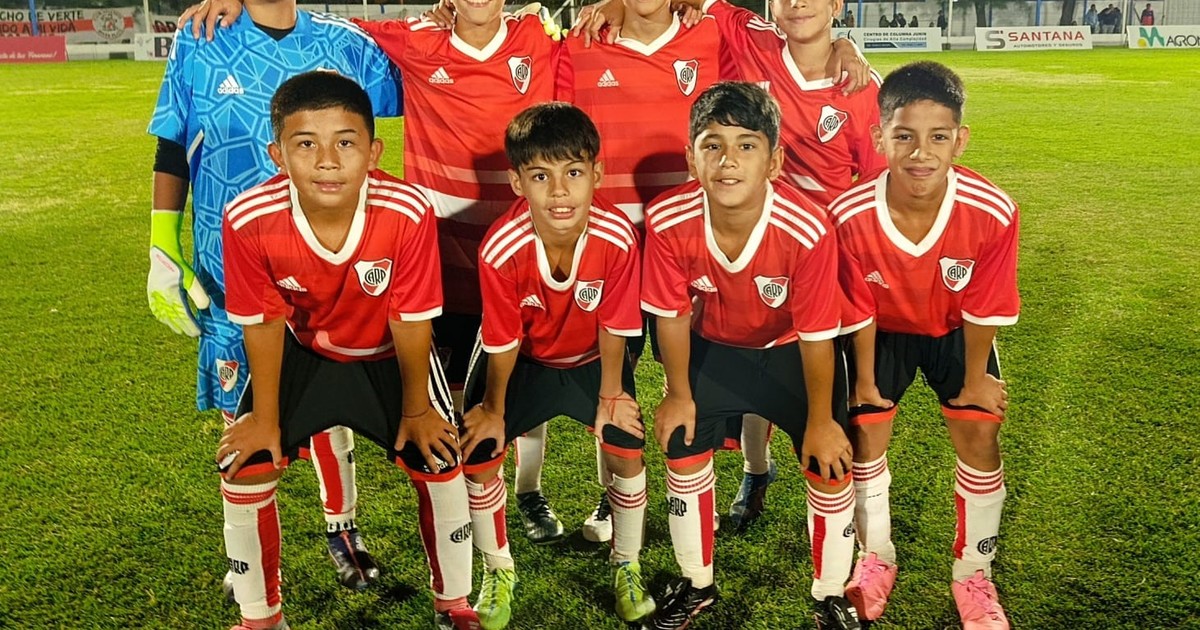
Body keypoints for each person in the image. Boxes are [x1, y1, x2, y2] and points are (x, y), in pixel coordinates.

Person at [183, 0, 576, 549]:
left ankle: (530, 491)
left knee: (521, 380)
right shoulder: (415, 39)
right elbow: (316, 25)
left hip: (521, 251)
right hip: (442, 262)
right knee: (459, 401)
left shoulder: (538, 35)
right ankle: (471, 513)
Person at [147, 0, 401, 603]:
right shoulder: (200, 39)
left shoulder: (346, 42)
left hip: (330, 263)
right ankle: (252, 571)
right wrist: (161, 241)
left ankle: (342, 529)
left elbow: (436, 78)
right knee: (244, 418)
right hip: (229, 262)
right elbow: (171, 145)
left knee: (328, 404)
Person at [216, 71, 478, 630]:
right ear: (278, 156)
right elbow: (264, 322)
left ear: (374, 152)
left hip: (388, 355)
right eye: (306, 144)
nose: (328, 161)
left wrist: (416, 410)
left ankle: (454, 606)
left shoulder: (406, 210)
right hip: (303, 353)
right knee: (244, 466)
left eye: (346, 142)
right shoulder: (248, 218)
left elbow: (411, 318)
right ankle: (261, 618)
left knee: (440, 459)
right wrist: (265, 419)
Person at [632, 0, 884, 531]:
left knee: (834, 399)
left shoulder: (861, 88)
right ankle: (755, 470)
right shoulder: (749, 36)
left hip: (820, 257)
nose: (797, 4)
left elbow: (876, 184)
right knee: (745, 351)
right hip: (743, 229)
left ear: (837, 4)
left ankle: (866, 535)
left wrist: (847, 45)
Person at [641, 82, 861, 630]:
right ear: (691, 158)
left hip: (791, 353)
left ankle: (829, 594)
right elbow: (671, 314)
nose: (728, 160)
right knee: (681, 441)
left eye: (746, 145)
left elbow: (816, 334)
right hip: (715, 350)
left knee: (830, 458)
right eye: (712, 145)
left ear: (775, 161)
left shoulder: (808, 227)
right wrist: (678, 393)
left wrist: (821, 420)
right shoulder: (666, 219)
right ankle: (697, 584)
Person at [830, 61, 1019, 629]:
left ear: (960, 140)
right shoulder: (847, 215)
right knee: (865, 434)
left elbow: (985, 305)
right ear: (878, 136)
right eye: (904, 136)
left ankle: (973, 573)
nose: (921, 153)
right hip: (881, 332)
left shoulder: (992, 210)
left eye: (938, 137)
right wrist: (865, 382)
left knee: (980, 432)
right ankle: (876, 557)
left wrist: (975, 378)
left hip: (957, 330)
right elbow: (857, 308)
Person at [459, 102, 654, 627]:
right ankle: (497, 569)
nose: (560, 191)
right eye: (541, 176)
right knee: (479, 452)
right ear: (517, 182)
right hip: (523, 360)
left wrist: (611, 394)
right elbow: (502, 338)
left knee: (626, 447)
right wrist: (494, 409)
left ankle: (626, 563)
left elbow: (615, 323)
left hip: (592, 358)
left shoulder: (617, 237)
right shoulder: (501, 248)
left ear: (597, 174)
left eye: (573, 173)